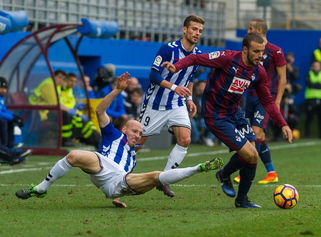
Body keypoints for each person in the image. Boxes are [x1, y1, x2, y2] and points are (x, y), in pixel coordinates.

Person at [14, 76, 224, 204]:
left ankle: (200, 168)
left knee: (156, 177)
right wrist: (118, 90)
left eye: (140, 133)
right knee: (74, 155)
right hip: (101, 165)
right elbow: (99, 110)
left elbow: (114, 183)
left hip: (118, 182)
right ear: (124, 129)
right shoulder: (112, 134)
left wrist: (116, 197)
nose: (137, 135)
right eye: (134, 131)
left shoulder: (133, 158)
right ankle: (41, 188)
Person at [162, 32, 293, 208]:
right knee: (250, 154)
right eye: (256, 51)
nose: (261, 56)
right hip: (215, 114)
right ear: (245, 49)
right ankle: (226, 177)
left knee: (252, 154)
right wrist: (176, 67)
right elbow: (195, 59)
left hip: (234, 112)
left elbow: (267, 100)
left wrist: (283, 123)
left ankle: (239, 196)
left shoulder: (258, 71)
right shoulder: (226, 58)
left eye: (262, 51)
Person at [136, 15, 205, 197]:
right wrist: (174, 87)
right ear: (184, 29)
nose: (197, 33)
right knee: (135, 145)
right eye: (194, 29)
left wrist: (189, 99)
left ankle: (164, 180)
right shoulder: (168, 49)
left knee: (185, 139)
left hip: (176, 103)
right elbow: (153, 76)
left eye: (200, 30)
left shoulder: (198, 54)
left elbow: (190, 78)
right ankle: (118, 175)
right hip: (155, 104)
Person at [234, 18, 287, 185]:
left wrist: (277, 101)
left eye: (250, 28)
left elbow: (283, 78)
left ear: (258, 31)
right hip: (249, 97)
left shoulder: (275, 51)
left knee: (256, 133)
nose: (247, 31)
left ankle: (246, 172)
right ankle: (271, 172)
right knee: (256, 135)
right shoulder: (248, 50)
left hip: (265, 98)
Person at [60, 73, 101, 149]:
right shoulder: (60, 89)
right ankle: (98, 142)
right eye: (71, 81)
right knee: (81, 122)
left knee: (87, 124)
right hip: (64, 114)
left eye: (75, 81)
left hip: (70, 113)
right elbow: (61, 104)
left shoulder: (69, 90)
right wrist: (72, 110)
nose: (73, 83)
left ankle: (99, 142)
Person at [304, 61, 321, 139]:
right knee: (309, 117)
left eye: (317, 65)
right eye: (314, 65)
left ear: (320, 66)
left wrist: (314, 85)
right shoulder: (309, 74)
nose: (316, 67)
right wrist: (319, 84)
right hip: (311, 98)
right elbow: (309, 84)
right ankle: (307, 134)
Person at [0, 77, 25, 149]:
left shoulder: (1, 98)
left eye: (5, 88)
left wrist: (15, 116)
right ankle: (4, 149)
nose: (3, 90)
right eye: (1, 88)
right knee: (3, 121)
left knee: (11, 122)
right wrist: (13, 117)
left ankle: (9, 147)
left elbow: (4, 109)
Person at [190, 80, 216, 146]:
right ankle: (197, 139)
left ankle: (209, 139)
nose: (204, 88)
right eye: (202, 86)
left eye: (205, 86)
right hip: (194, 118)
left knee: (217, 121)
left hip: (204, 120)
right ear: (197, 87)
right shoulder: (191, 97)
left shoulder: (207, 98)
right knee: (191, 120)